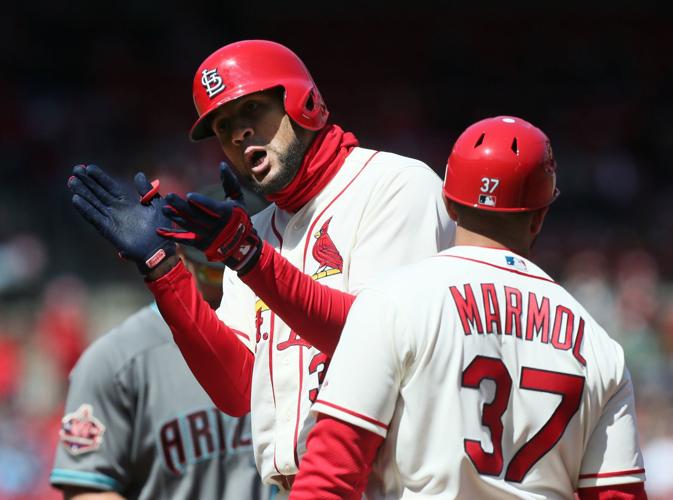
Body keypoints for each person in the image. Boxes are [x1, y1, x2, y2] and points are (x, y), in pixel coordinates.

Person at [66, 39, 455, 495]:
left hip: (398, 484)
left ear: (302, 104)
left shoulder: (394, 185)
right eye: (224, 125)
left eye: (251, 110)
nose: (236, 134)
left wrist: (247, 256)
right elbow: (235, 389)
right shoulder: (256, 233)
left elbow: (376, 345)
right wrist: (162, 270)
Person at [290, 116, 647, 499]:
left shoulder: (393, 301)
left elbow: (329, 474)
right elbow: (619, 495)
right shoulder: (598, 345)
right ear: (540, 215)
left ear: (449, 202)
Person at [50, 187, 273, 500]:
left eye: (242, 256)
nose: (233, 274)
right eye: (217, 265)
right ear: (180, 256)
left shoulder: (294, 334)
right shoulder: (116, 359)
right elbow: (86, 487)